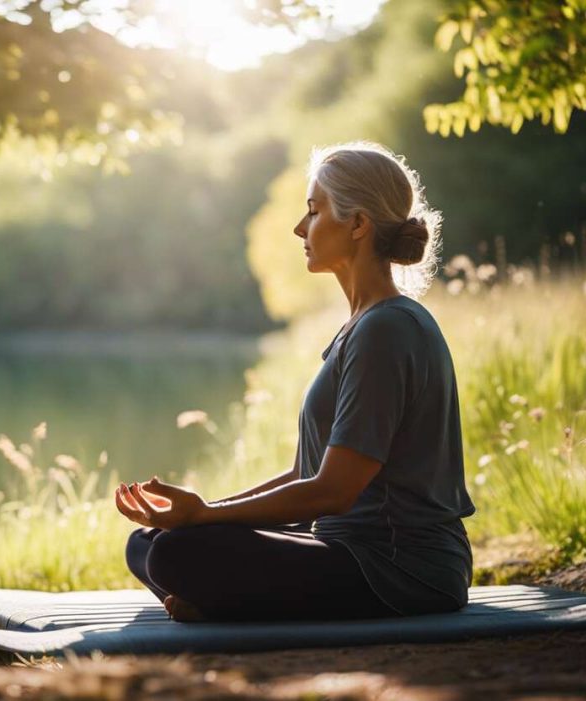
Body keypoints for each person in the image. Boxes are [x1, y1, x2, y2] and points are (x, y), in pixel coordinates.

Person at [116, 142, 476, 623]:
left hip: (401, 570)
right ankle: (216, 598)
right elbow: (307, 476)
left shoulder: (387, 329)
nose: (299, 228)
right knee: (151, 542)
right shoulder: (364, 325)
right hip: (341, 549)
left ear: (358, 224)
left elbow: (332, 493)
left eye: (313, 211)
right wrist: (203, 511)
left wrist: (204, 517)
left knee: (175, 555)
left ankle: (216, 598)